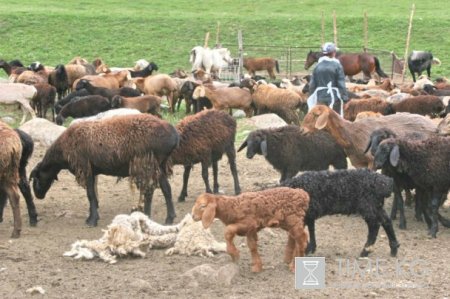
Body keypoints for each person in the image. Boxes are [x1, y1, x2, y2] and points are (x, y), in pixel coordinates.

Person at [307, 42, 349, 116]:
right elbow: (341, 84)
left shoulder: (317, 66)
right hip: (334, 98)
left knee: (321, 118)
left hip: (320, 97)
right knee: (334, 119)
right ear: (333, 53)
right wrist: (345, 98)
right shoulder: (337, 66)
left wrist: (311, 96)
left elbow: (312, 85)